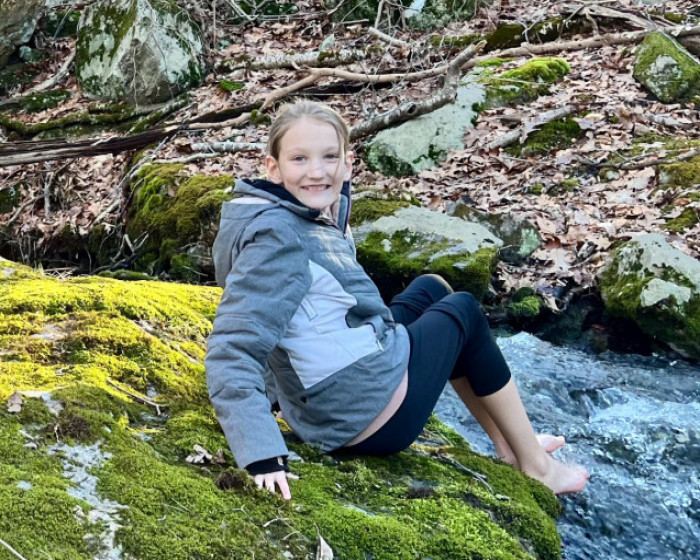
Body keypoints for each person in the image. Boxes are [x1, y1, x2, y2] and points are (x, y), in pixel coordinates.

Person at [205, 101, 589, 501]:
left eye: (329, 157)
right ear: (273, 168)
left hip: (338, 391)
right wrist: (262, 454)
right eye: (299, 159)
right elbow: (234, 346)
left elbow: (287, 325)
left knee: (431, 289)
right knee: (464, 312)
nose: (316, 171)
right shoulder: (277, 238)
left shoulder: (299, 212)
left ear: (348, 164)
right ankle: (538, 468)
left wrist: (278, 396)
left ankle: (510, 445)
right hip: (359, 415)